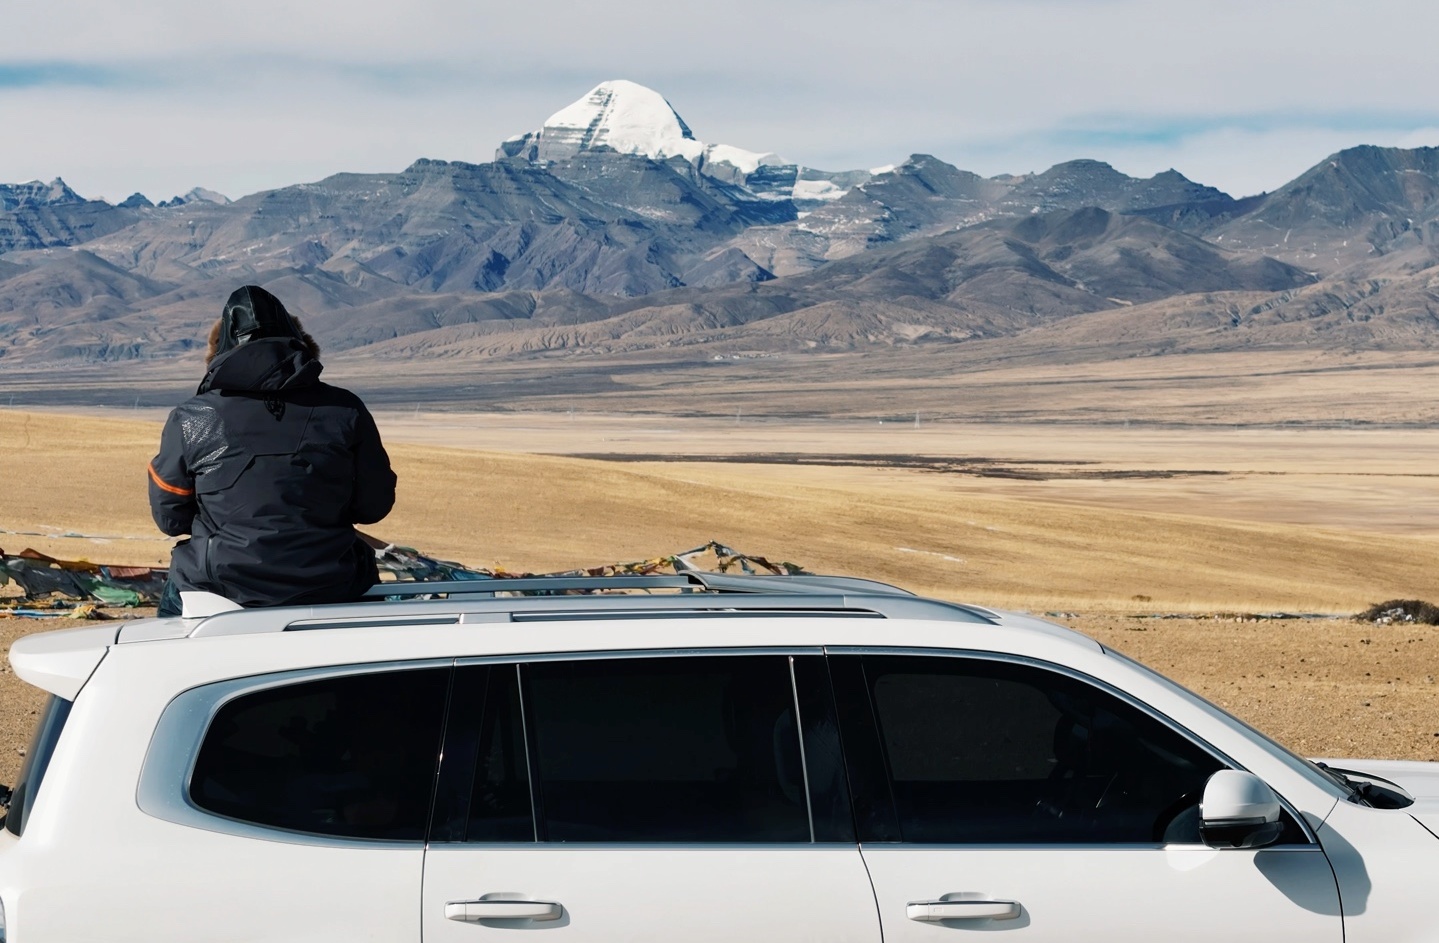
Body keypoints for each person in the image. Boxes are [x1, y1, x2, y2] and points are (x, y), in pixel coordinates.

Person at [148, 285, 396, 616]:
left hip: (216, 589)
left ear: (217, 351)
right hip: (334, 583)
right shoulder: (345, 409)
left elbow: (169, 517)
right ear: (302, 343)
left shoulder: (192, 417)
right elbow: (374, 506)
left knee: (165, 653)